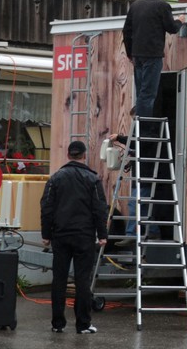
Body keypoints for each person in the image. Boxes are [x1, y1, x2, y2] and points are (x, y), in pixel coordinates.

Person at [40, 140, 108, 334]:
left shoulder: (55, 178)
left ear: (68, 155)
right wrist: (102, 234)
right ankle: (83, 324)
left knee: (59, 280)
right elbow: (100, 209)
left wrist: (46, 234)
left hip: (60, 235)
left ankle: (57, 324)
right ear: (84, 155)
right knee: (82, 281)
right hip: (84, 236)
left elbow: (46, 208)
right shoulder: (92, 179)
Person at [122, 0, 183, 122]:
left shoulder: (135, 5)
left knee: (141, 92)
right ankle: (144, 128)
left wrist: (130, 54)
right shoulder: (163, 6)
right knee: (148, 93)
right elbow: (172, 28)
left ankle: (139, 121)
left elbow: (126, 31)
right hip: (152, 55)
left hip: (137, 55)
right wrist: (180, 20)